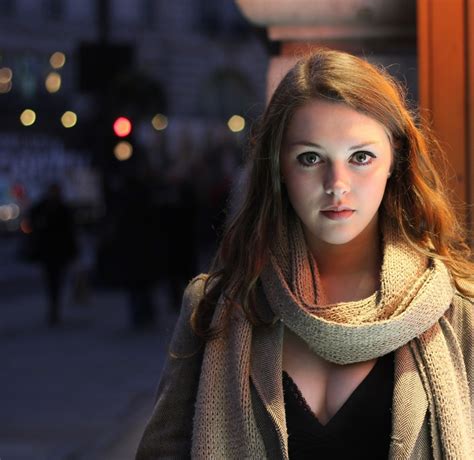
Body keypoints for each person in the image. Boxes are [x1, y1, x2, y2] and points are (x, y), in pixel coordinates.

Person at [136, 49, 474, 459]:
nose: (337, 184)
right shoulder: (217, 307)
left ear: (395, 159)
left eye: (360, 157)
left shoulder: (458, 313)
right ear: (278, 167)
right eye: (310, 158)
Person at [29, 183, 77, 326]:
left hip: (57, 251)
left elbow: (70, 232)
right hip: (51, 251)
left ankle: (54, 307)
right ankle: (54, 307)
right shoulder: (48, 208)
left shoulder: (59, 208)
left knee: (56, 280)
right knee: (52, 280)